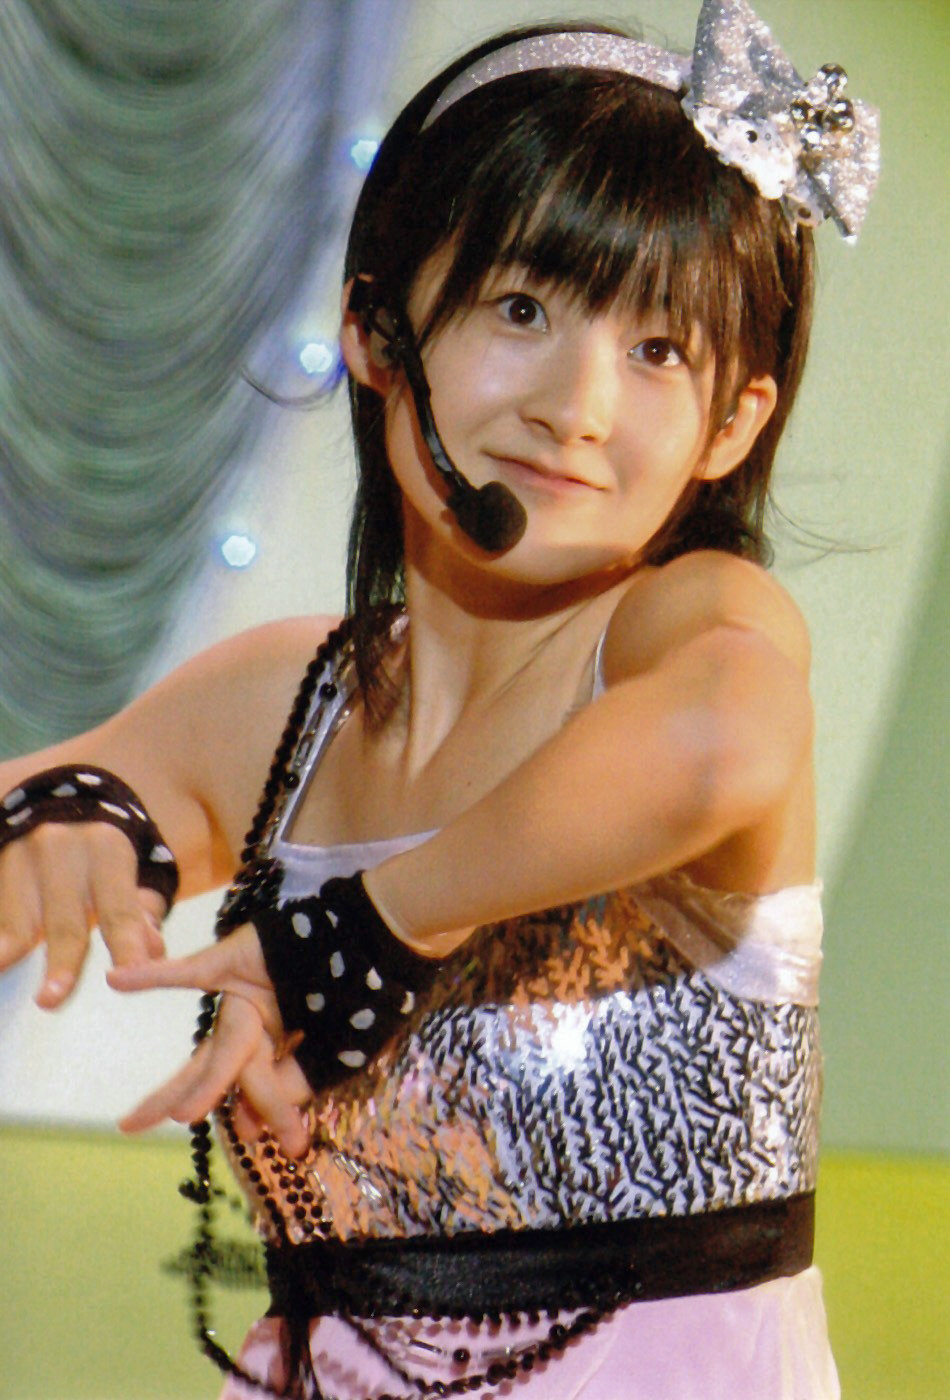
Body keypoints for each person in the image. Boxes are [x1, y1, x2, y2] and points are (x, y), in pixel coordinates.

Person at [0, 3, 879, 1397]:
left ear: (733, 424)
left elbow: (721, 743)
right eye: (521, 310)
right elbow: (67, 791)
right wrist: (68, 824)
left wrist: (373, 928)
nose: (576, 406)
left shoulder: (685, 627)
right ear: (372, 329)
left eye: (657, 351)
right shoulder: (292, 699)